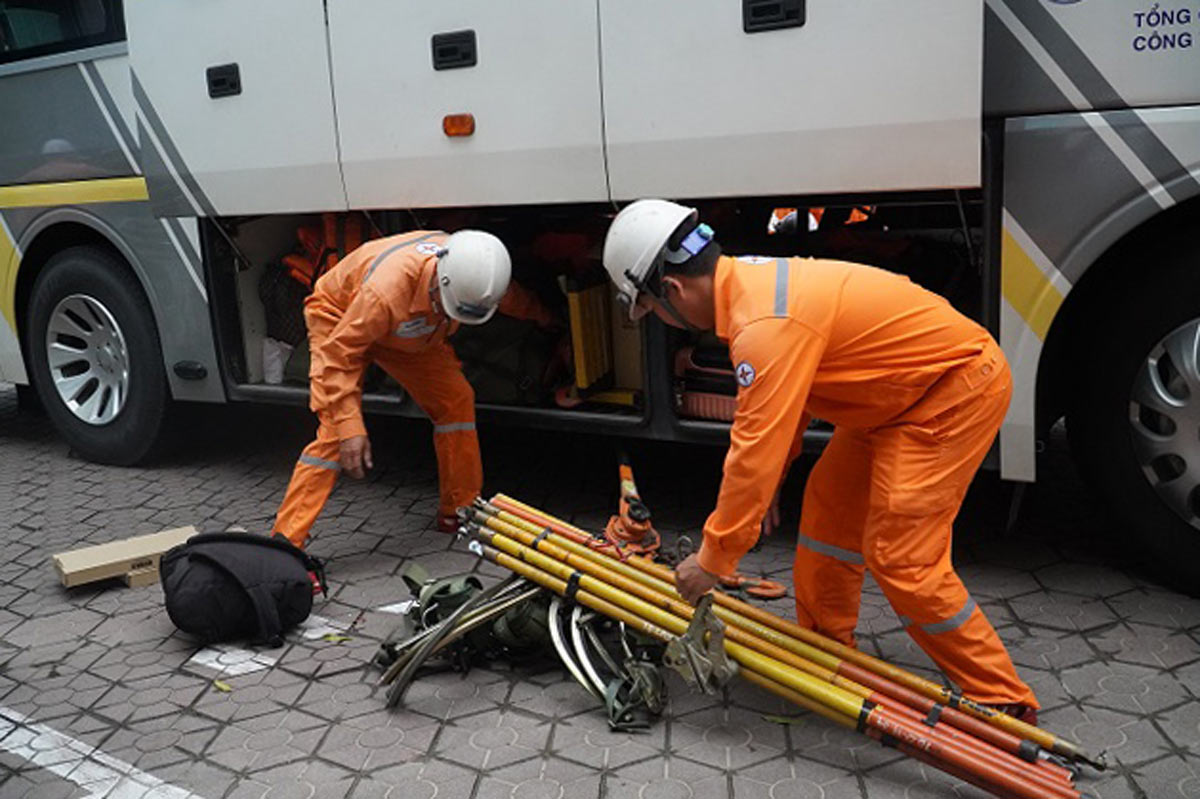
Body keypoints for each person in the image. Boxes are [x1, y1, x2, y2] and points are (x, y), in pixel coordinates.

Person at [601, 199, 1039, 723]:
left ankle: (1001, 697)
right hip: (892, 399)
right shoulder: (752, 287)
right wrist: (770, 489)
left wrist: (714, 561)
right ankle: (827, 655)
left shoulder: (762, 324)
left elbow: (752, 451)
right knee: (829, 509)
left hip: (950, 390)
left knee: (901, 556)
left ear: (671, 291)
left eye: (649, 309)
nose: (660, 320)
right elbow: (784, 413)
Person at [272, 228, 556, 548]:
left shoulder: (478, 274)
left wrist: (550, 320)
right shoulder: (386, 291)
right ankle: (285, 543)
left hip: (406, 330)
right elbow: (341, 355)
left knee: (456, 400)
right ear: (440, 281)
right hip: (341, 318)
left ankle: (460, 509)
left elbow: (514, 300)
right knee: (335, 431)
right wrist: (352, 426)